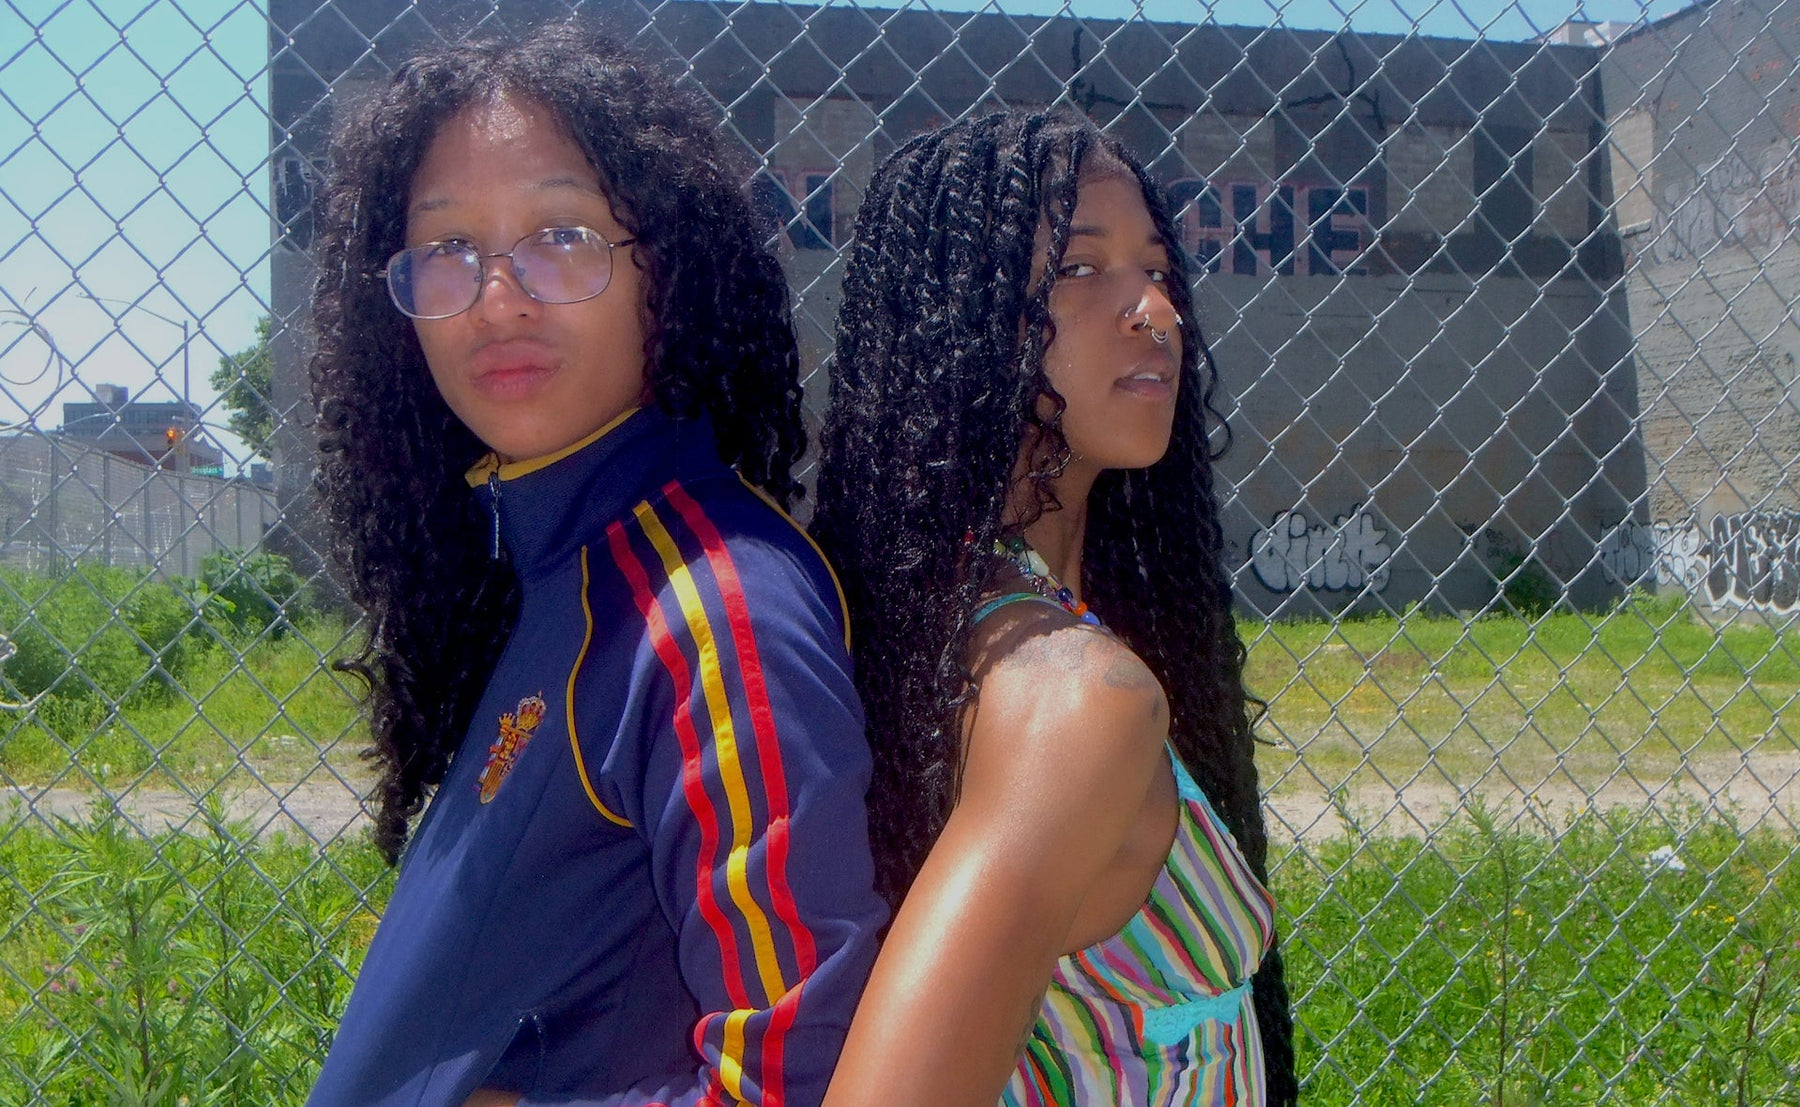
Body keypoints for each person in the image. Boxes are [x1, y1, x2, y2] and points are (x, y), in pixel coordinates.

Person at [305, 28, 885, 1106]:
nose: (495, 298)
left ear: (665, 269)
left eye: (560, 234)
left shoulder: (713, 608)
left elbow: (805, 1081)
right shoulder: (560, 569)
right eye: (446, 248)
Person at [811, 111, 1297, 1105]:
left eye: (1157, 268)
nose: (1154, 308)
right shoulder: (1075, 701)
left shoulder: (937, 615)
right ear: (959, 318)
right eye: (1080, 269)